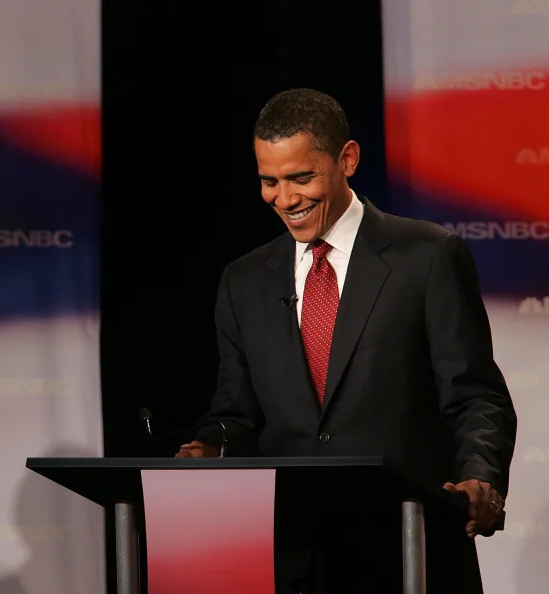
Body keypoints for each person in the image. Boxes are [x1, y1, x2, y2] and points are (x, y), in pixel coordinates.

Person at [176, 88, 516, 593]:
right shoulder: (243, 281)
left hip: (410, 549)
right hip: (291, 559)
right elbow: (237, 412)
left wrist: (480, 475)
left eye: (301, 178)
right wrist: (208, 448)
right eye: (269, 182)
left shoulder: (426, 256)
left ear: (347, 160)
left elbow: (474, 395)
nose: (284, 199)